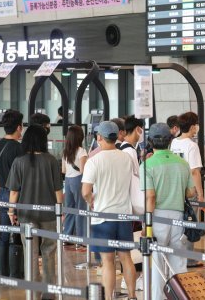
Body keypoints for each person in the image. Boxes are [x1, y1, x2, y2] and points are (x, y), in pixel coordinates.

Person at [81, 121, 137, 300]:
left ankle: (109, 297)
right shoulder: (126, 157)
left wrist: (92, 201)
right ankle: (132, 295)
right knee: (126, 258)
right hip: (124, 215)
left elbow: (85, 192)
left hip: (102, 217)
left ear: (99, 138)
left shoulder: (94, 161)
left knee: (108, 261)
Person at [6, 124, 63, 299]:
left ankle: (32, 292)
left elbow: (14, 192)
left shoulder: (19, 162)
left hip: (26, 215)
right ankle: (49, 292)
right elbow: (58, 191)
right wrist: (61, 213)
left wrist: (10, 211)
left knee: (30, 254)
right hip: (50, 214)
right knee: (49, 253)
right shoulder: (51, 160)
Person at [141, 123, 196, 298]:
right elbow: (191, 192)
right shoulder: (182, 163)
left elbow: (150, 197)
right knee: (179, 262)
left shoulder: (147, 165)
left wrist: (146, 225)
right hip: (179, 216)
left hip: (157, 217)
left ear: (150, 141)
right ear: (170, 140)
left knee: (158, 262)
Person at [0, 110, 24, 277]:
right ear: (19, 127)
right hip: (17, 195)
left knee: (4, 235)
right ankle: (17, 272)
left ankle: (3, 273)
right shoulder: (20, 148)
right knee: (18, 235)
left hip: (2, 193)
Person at [170, 112, 204, 267]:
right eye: (196, 124)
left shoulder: (174, 143)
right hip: (189, 190)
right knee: (191, 222)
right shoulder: (192, 145)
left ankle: (178, 255)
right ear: (192, 126)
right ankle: (189, 258)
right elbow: (195, 171)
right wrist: (201, 194)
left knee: (179, 223)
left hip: (176, 189)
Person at [61, 125, 88, 237]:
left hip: (68, 180)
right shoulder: (82, 151)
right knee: (81, 209)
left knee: (69, 209)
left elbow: (63, 170)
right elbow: (83, 170)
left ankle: (67, 235)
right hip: (78, 180)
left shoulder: (65, 152)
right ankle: (81, 237)